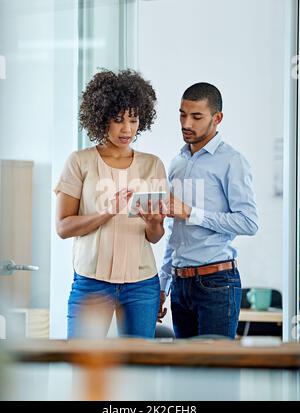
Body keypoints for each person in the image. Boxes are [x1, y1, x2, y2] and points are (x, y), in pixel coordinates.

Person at [54, 69, 167, 339]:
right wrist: (105, 213)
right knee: (83, 364)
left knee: (139, 370)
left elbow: (155, 236)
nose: (127, 129)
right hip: (92, 282)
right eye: (118, 120)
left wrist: (153, 224)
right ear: (101, 118)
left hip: (141, 284)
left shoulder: (152, 164)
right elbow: (63, 226)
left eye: (133, 119)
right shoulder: (79, 161)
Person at [158, 82, 259, 339]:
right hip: (180, 285)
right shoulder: (177, 162)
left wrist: (192, 212)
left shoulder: (232, 161)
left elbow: (248, 222)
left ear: (217, 118)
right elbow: (174, 229)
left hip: (216, 283)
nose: (186, 123)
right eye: (182, 114)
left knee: (216, 374)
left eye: (196, 116)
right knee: (186, 376)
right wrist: (163, 285)